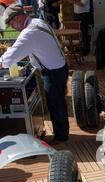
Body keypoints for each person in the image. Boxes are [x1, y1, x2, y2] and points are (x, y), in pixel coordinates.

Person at [0, 3, 69, 145]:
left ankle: (61, 137)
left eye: (12, 23)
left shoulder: (29, 33)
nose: (12, 27)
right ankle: (62, 132)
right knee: (58, 102)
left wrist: (1, 62)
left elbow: (9, 58)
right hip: (59, 66)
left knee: (56, 104)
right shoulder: (37, 21)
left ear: (18, 17)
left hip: (53, 71)